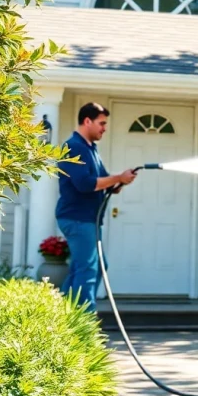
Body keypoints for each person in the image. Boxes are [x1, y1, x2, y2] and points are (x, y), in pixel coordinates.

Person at [55, 102, 138, 312]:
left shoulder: (91, 149)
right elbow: (85, 184)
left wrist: (118, 183)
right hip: (77, 218)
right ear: (87, 121)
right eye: (101, 123)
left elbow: (100, 179)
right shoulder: (74, 147)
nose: (104, 128)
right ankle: (84, 325)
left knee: (89, 268)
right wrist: (117, 177)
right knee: (88, 269)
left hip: (88, 219)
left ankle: (62, 315)